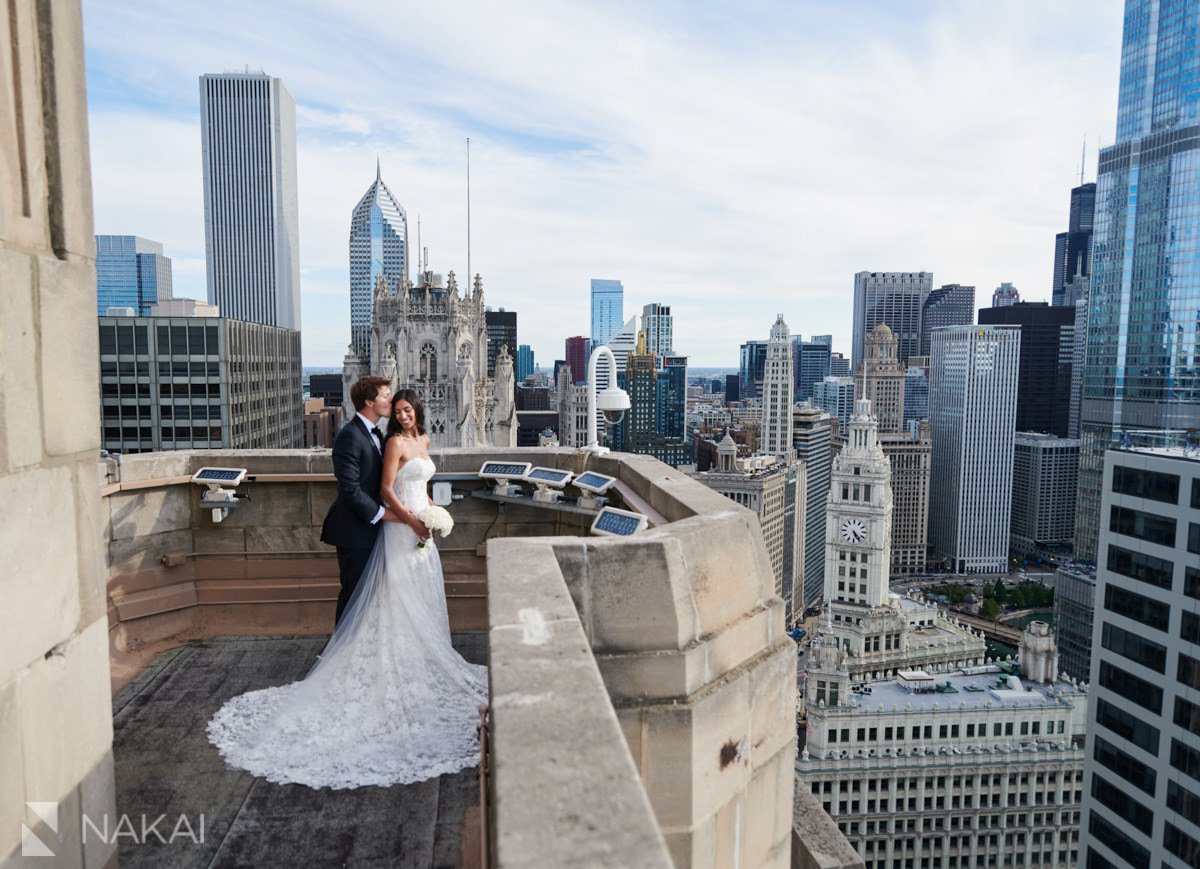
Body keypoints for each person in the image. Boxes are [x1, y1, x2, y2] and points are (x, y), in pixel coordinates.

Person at [207, 387, 488, 789]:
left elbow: (414, 484)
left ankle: (400, 659)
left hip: (405, 528)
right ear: (370, 401)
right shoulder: (356, 436)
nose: (396, 407)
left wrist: (429, 514)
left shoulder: (400, 436)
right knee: (360, 597)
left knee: (396, 597)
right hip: (373, 528)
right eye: (390, 399)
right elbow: (357, 490)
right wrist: (404, 520)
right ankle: (345, 661)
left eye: (404, 405)